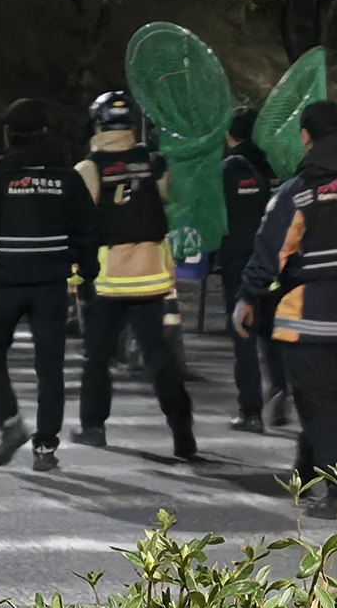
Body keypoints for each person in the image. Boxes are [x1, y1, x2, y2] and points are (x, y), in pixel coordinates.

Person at [235, 100, 337, 507]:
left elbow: (271, 253)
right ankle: (306, 473)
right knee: (328, 400)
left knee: (316, 402)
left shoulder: (299, 194)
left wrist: (249, 298)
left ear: (305, 139)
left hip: (307, 317)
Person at [0, 99, 97, 472]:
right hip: (50, 285)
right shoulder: (68, 178)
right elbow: (87, 233)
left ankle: (10, 422)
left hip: (5, 284)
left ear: (8, 135)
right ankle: (45, 449)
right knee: (50, 368)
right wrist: (87, 278)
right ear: (45, 133)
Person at [72, 91, 196, 459]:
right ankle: (182, 431)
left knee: (97, 357)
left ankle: (93, 427)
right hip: (152, 277)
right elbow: (172, 204)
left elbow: (78, 228)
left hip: (107, 281)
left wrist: (74, 279)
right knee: (160, 357)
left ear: (97, 124)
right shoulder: (153, 163)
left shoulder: (89, 169)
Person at [219, 107, 288, 434]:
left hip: (239, 263)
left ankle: (250, 412)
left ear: (229, 134)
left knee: (243, 335)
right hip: (274, 263)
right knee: (271, 330)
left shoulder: (228, 169)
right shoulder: (274, 166)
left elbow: (217, 216)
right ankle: (279, 389)